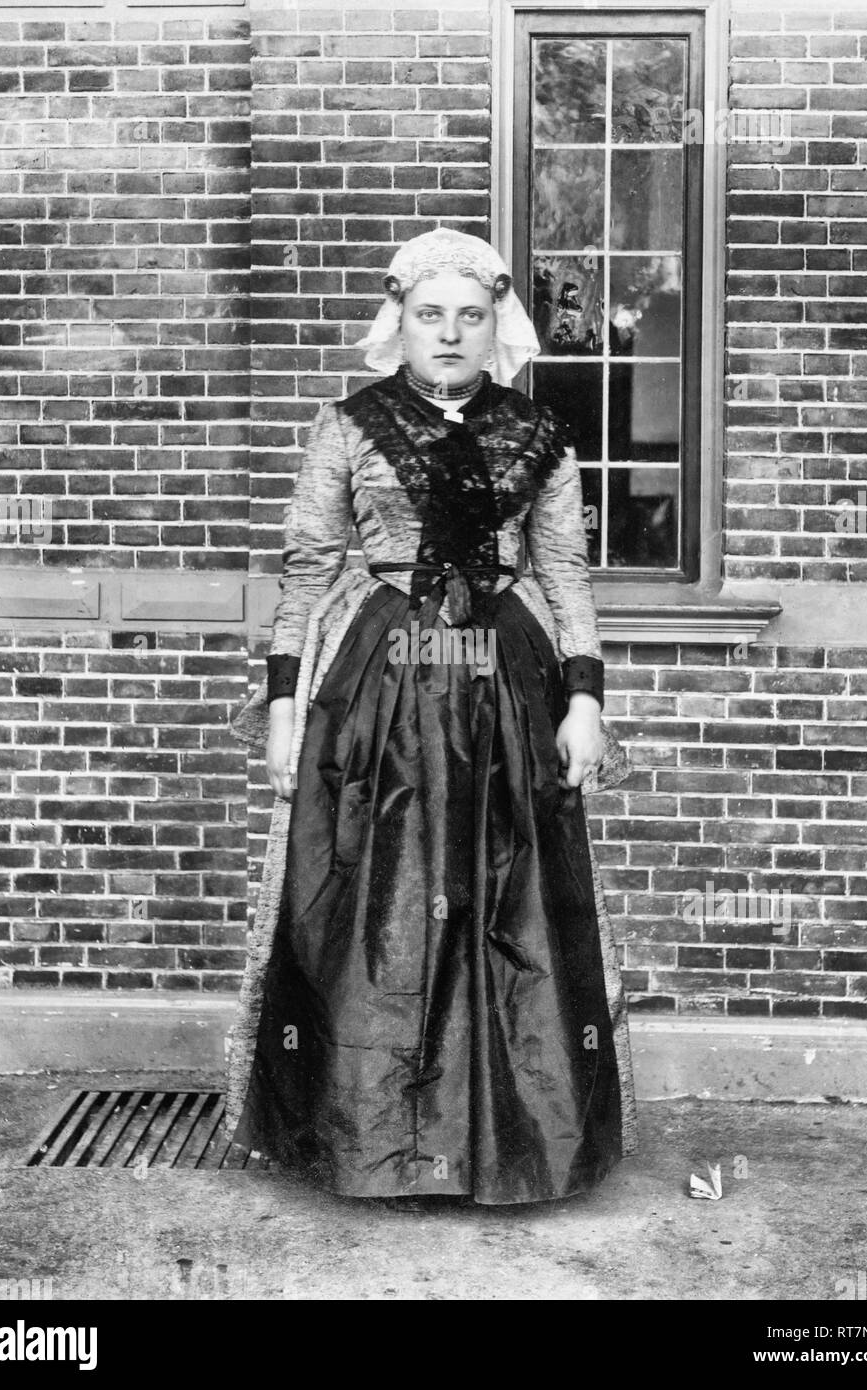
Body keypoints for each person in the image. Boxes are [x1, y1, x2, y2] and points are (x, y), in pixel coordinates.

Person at [224, 228, 637, 1206]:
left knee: (507, 905)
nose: (448, 333)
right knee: (376, 908)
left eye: (469, 315)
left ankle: (503, 1145)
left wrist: (583, 699)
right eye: (428, 315)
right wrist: (284, 701)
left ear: (496, 323)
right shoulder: (347, 426)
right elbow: (309, 571)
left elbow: (564, 575)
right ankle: (374, 1143)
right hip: (375, 692)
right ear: (398, 321)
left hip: (503, 691)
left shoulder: (539, 435)